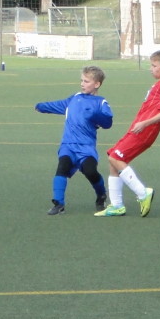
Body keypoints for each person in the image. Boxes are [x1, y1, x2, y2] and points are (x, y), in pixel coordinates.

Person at [95, 49, 160, 218]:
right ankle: (117, 206)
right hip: (138, 128)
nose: (151, 69)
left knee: (115, 158)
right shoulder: (159, 84)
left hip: (145, 130)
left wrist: (145, 123)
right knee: (114, 160)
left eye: (154, 66)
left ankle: (142, 193)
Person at [35, 65, 113, 215]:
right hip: (68, 145)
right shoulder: (74, 98)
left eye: (86, 81)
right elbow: (58, 105)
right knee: (62, 167)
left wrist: (95, 115)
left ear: (97, 84)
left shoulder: (101, 102)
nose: (82, 84)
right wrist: (41, 107)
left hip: (86, 147)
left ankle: (101, 195)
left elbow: (108, 122)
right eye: (81, 80)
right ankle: (59, 203)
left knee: (91, 172)